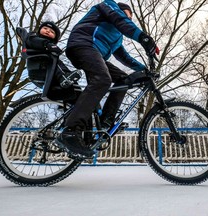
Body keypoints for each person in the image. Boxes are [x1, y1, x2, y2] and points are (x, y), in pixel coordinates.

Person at [56, 1, 159, 158]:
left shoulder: (117, 38)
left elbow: (125, 57)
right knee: (103, 80)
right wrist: (143, 38)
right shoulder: (108, 6)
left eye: (131, 18)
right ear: (119, 10)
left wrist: (144, 70)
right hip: (83, 44)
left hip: (95, 55)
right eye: (126, 15)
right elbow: (118, 19)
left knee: (123, 79)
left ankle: (105, 122)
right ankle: (70, 132)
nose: (128, 19)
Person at [25, 21, 80, 89]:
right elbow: (34, 41)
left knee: (71, 89)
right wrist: (47, 44)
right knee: (54, 60)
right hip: (39, 70)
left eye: (52, 32)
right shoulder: (33, 38)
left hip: (51, 76)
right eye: (45, 28)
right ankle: (64, 77)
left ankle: (76, 89)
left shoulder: (50, 50)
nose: (48, 31)